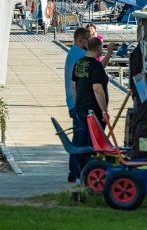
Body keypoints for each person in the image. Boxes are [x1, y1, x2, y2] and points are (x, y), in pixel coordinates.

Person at [71, 37, 110, 175]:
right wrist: (104, 111)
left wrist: (77, 103)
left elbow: (74, 86)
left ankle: (79, 172)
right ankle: (89, 172)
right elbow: (97, 89)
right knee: (93, 143)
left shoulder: (79, 63)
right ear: (99, 48)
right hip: (93, 112)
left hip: (81, 108)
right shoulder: (96, 65)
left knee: (82, 140)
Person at [63, 27, 90, 183]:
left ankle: (75, 172)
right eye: (88, 40)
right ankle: (76, 172)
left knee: (78, 137)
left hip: (73, 102)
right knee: (80, 140)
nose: (90, 43)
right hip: (78, 103)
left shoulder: (73, 53)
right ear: (81, 41)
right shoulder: (80, 56)